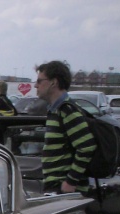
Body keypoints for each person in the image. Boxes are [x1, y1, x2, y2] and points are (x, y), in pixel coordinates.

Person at [35, 61, 96, 195]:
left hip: (65, 190)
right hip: (56, 186)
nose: (36, 85)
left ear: (53, 82)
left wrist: (71, 181)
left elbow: (87, 146)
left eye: (39, 81)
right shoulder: (55, 110)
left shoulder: (67, 110)